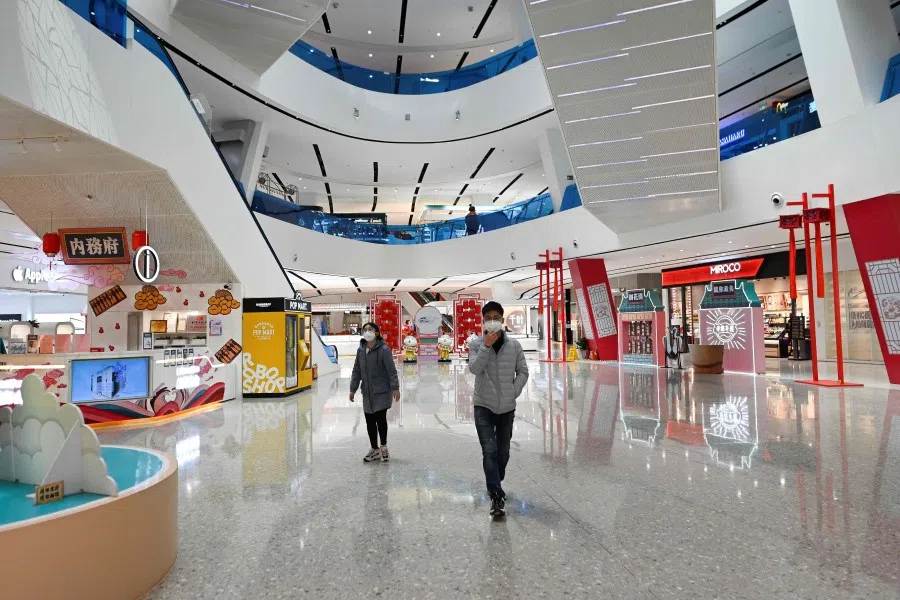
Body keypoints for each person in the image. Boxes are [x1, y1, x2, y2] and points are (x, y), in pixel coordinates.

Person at [468, 301, 529, 516]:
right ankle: (496, 494)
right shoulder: (476, 345)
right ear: (483, 321)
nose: (492, 321)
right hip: (483, 405)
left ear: (502, 320)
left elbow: (523, 371)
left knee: (503, 453)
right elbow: (474, 369)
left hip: (506, 408)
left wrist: (514, 391)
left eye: (496, 317)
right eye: (488, 318)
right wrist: (485, 345)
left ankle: (495, 479)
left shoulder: (514, 346)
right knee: (489, 450)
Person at [350, 322, 400, 462]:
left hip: (382, 391)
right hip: (367, 392)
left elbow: (391, 371)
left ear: (377, 333)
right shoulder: (361, 350)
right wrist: (352, 389)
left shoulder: (384, 350)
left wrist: (395, 387)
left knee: (380, 419)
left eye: (370, 329)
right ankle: (374, 449)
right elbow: (356, 371)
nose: (367, 332)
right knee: (369, 421)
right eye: (365, 330)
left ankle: (383, 446)